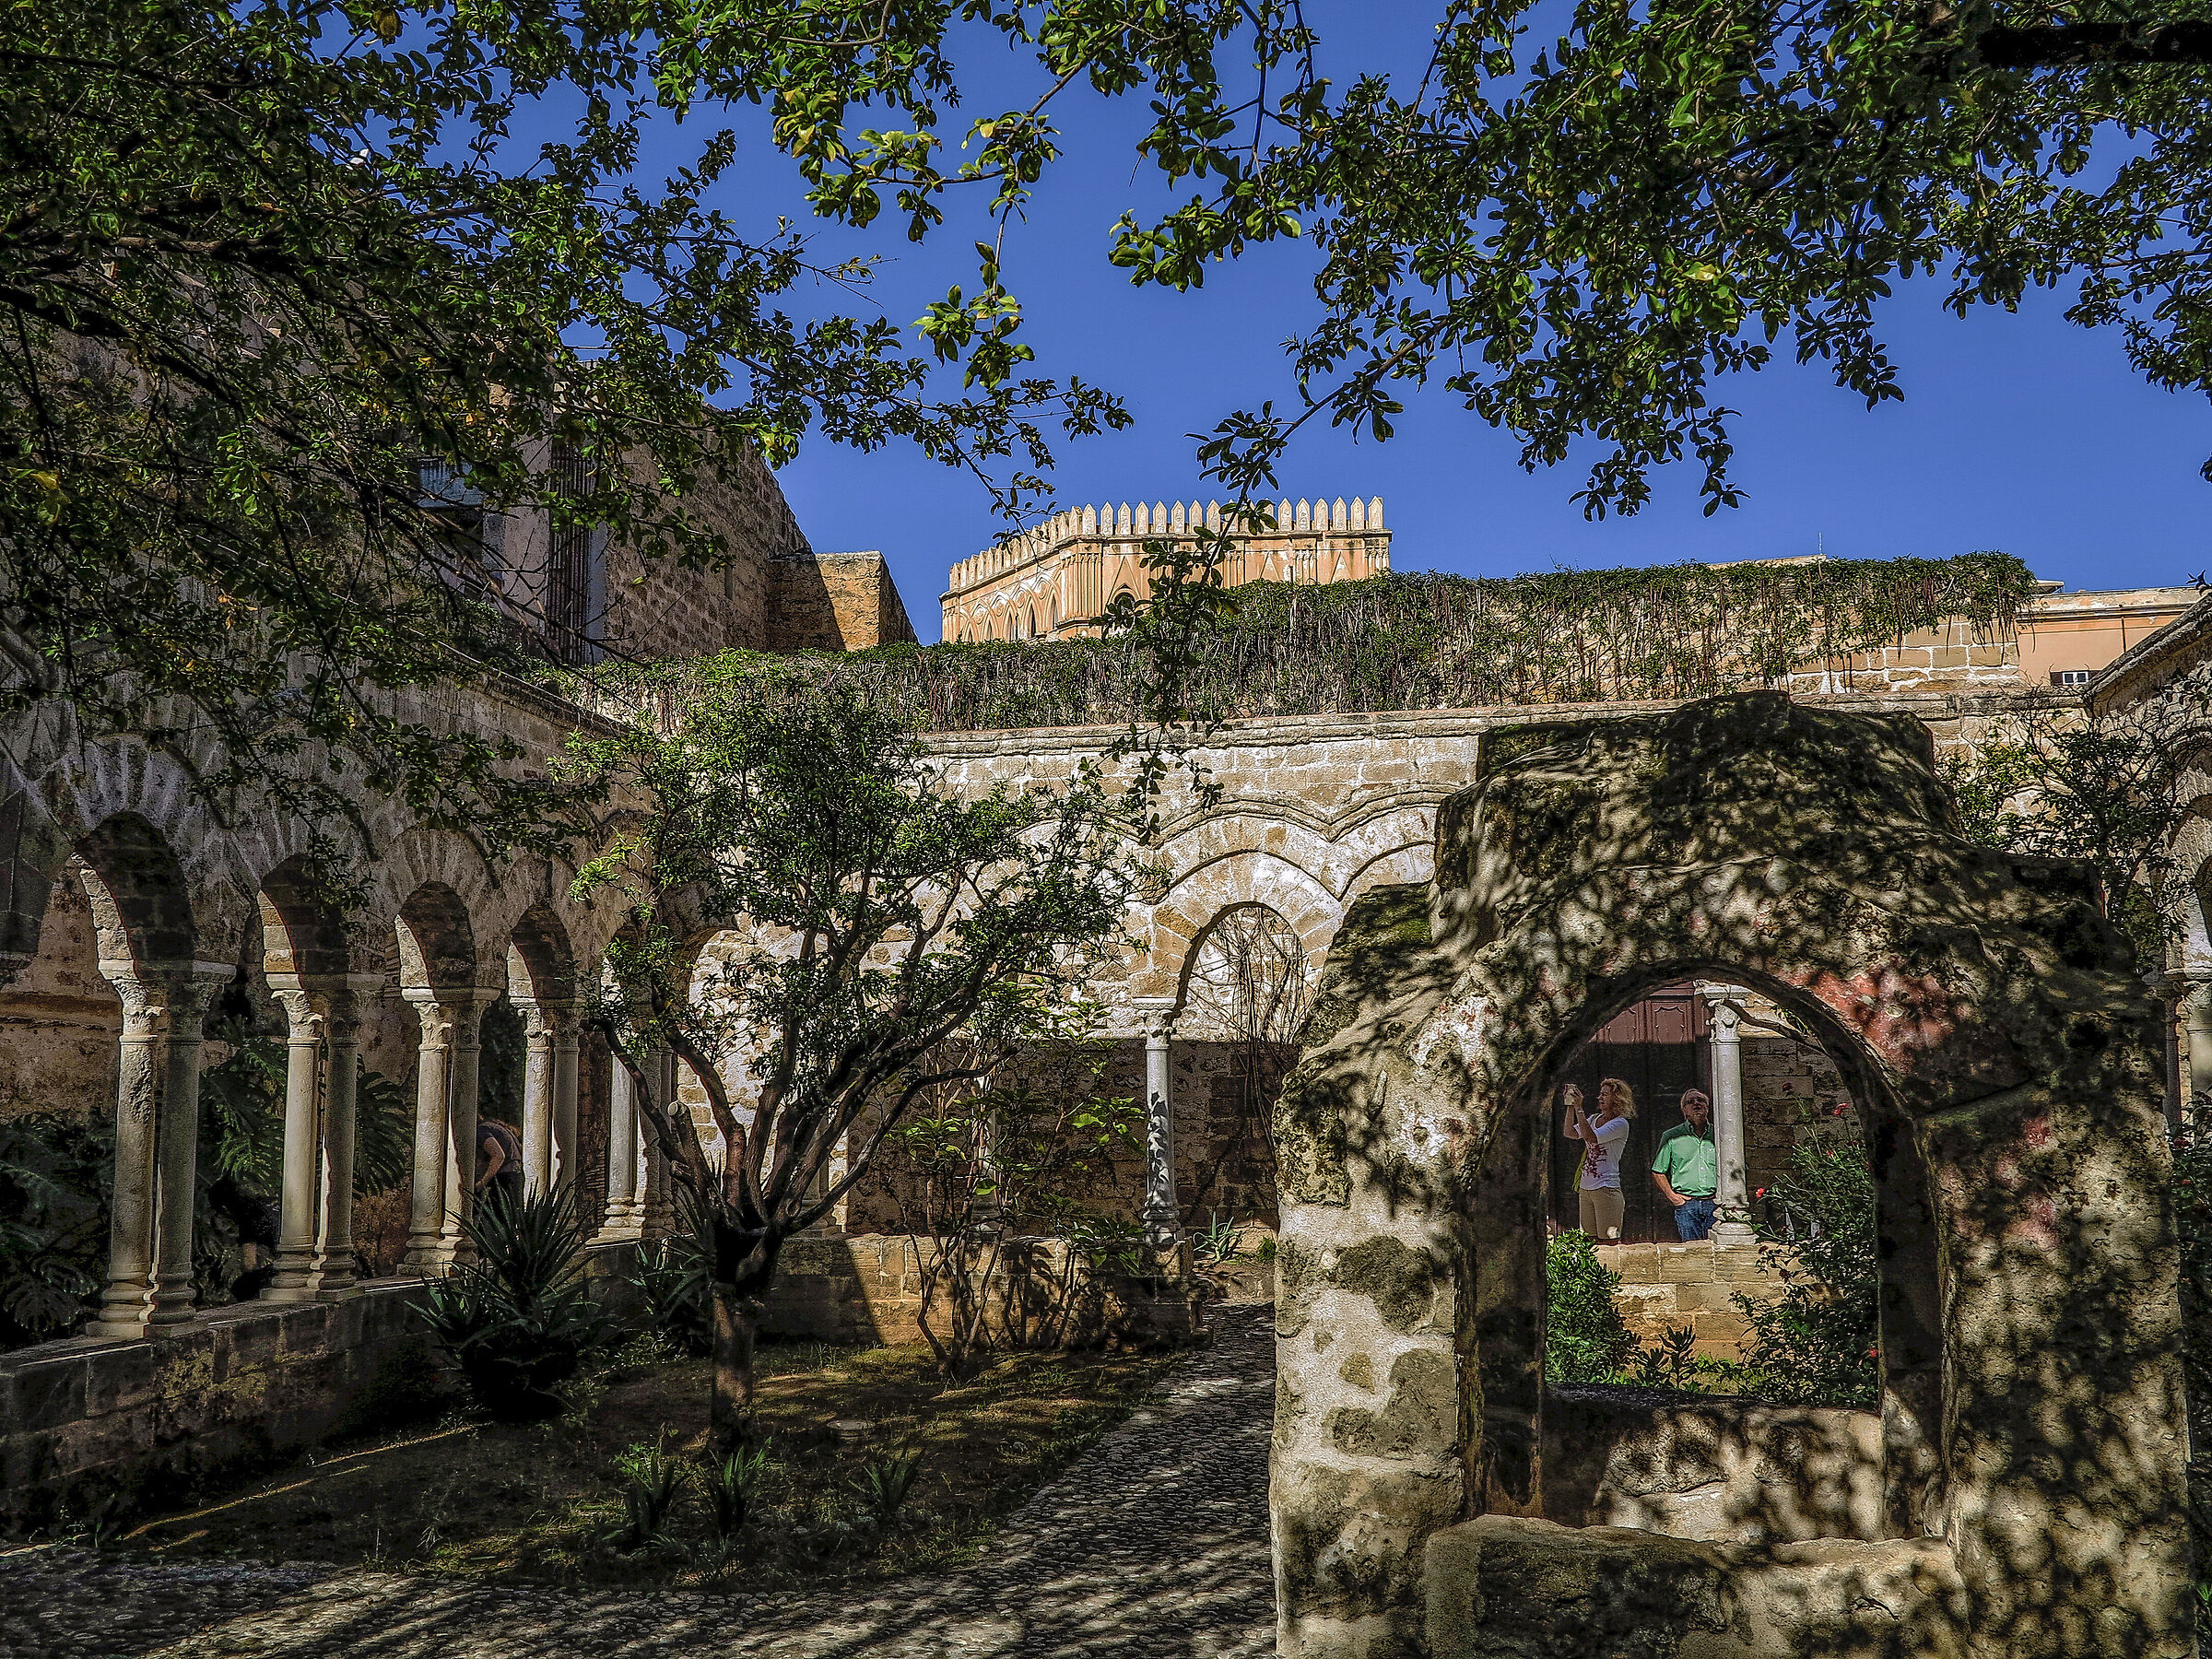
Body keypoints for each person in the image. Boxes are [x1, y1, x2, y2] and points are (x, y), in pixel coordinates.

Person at [1563, 1078, 1635, 1241]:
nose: (1599, 1098)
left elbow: (1591, 1137)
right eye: (1600, 1094)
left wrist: (1579, 1108)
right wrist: (1570, 1106)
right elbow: (1570, 1133)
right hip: (1585, 1188)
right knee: (1590, 1242)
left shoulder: (1620, 1124)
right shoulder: (1594, 1119)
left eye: (1605, 1095)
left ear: (1617, 1098)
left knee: (1610, 1241)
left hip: (1606, 1188)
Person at [1652, 1088, 1720, 1241]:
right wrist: (1673, 1197)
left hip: (1714, 1204)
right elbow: (1658, 1171)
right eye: (1690, 1102)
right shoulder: (1671, 1136)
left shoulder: (1720, 1135)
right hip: (1687, 1205)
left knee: (1718, 1250)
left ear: (1708, 1107)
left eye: (1701, 1101)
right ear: (1684, 1110)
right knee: (1692, 1252)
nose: (1696, 1103)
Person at [477, 1117, 525, 1213]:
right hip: (516, 1176)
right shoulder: (498, 1128)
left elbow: (499, 1156)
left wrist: (482, 1183)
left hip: (504, 1179)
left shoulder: (481, 1130)